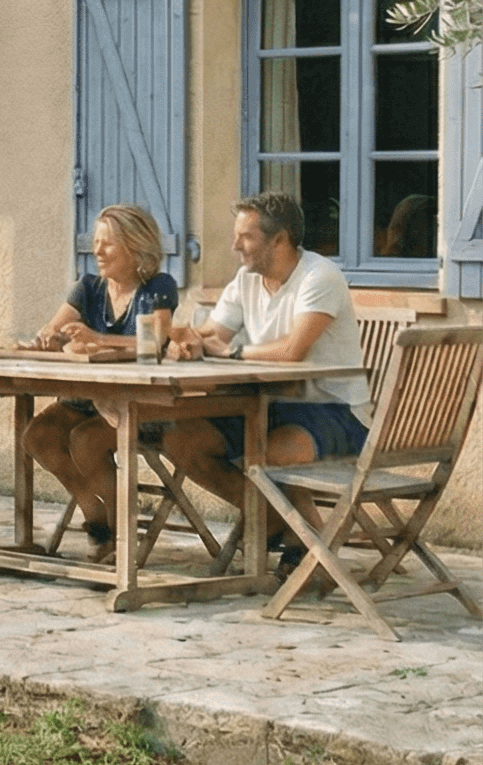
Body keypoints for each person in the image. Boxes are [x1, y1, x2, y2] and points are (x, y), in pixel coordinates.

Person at [165, 192, 370, 566]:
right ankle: (279, 522)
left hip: (336, 411)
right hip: (269, 406)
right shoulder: (246, 280)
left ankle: (312, 554)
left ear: (279, 239)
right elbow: (214, 336)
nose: (235, 245)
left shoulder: (319, 276)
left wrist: (233, 353)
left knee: (268, 453)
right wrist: (193, 343)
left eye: (246, 236)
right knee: (183, 438)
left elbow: (293, 349)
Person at [20, 204, 180, 559]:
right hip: (85, 399)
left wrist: (99, 338)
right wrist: (50, 338)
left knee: (86, 440)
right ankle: (95, 515)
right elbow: (53, 328)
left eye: (108, 243)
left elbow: (155, 344)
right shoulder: (88, 287)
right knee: (37, 436)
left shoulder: (157, 287)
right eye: (96, 242)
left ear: (135, 246)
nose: (97, 250)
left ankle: (119, 535)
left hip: (139, 404)